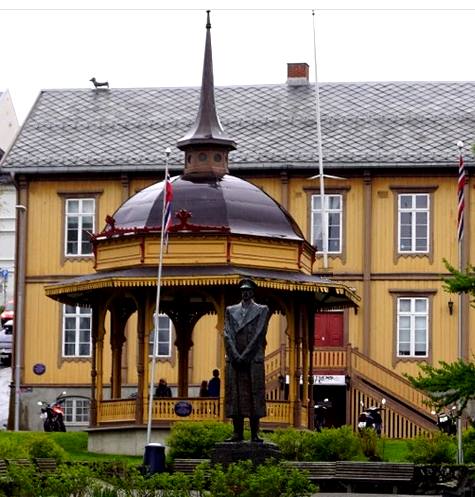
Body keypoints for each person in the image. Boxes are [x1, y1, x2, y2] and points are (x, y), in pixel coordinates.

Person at [224, 278, 269, 443]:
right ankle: (237, 433)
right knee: (235, 395)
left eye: (248, 290)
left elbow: (259, 334)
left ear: (253, 292)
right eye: (243, 290)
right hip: (235, 360)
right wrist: (235, 355)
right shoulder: (230, 310)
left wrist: (245, 356)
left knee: (254, 395)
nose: (245, 293)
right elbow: (227, 333)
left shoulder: (262, 310)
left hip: (252, 359)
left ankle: (254, 433)